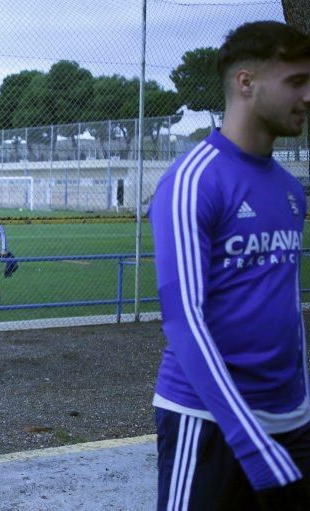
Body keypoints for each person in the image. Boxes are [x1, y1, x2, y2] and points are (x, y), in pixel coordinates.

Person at [149, 21, 310, 510]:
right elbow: (183, 321)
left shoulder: (291, 188)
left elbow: (284, 305)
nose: (308, 96)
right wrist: (250, 441)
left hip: (290, 422)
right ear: (246, 82)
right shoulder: (194, 180)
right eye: (297, 82)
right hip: (208, 423)